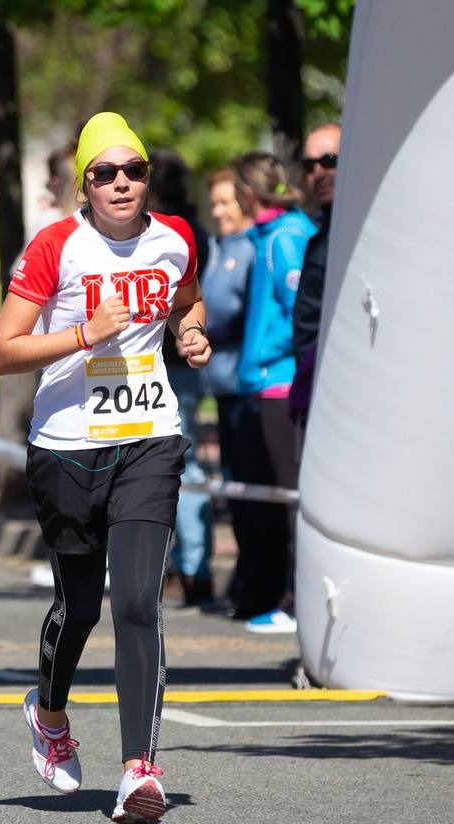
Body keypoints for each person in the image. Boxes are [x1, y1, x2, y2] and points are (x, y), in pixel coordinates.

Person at [0, 112, 211, 824]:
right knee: (80, 607)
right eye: (104, 173)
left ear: (148, 178)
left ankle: (140, 771)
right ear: (84, 184)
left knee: (139, 600)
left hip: (150, 438)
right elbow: (3, 351)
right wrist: (86, 332)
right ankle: (49, 713)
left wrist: (191, 332)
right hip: (66, 446)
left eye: (133, 171)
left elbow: (186, 299)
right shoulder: (58, 246)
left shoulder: (174, 238)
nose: (121, 183)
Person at [228, 152, 316, 634]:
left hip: (278, 382)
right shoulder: (272, 235)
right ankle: (277, 596)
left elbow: (298, 307)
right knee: (270, 499)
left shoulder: (283, 238)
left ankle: (296, 602)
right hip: (265, 382)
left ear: (247, 191)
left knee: (288, 499)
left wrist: (264, 356)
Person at [147, 149, 214, 605]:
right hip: (178, 364)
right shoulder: (196, 231)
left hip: (166, 361)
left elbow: (188, 298)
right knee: (181, 465)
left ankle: (185, 566)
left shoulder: (167, 235)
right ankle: (190, 565)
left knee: (172, 467)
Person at [199, 168, 257, 612]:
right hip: (220, 383)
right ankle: (243, 581)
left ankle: (256, 583)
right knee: (234, 485)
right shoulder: (218, 246)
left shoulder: (254, 247)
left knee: (252, 488)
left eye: (226, 203)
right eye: (214, 203)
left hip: (246, 383)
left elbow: (228, 307)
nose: (218, 212)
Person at [288, 123, 341, 432]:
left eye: (330, 160)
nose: (319, 172)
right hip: (314, 392)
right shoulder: (318, 238)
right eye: (310, 165)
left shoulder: (362, 233)